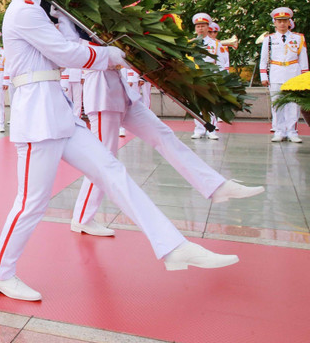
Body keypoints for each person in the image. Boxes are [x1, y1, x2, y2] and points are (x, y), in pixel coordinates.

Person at [0, 0, 237, 302]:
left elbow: (68, 46)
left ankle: (172, 246)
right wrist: (109, 55)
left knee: (112, 171)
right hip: (37, 117)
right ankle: (0, 274)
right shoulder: (22, 13)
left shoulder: (42, 11)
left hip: (59, 112)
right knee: (31, 203)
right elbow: (67, 55)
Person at [72, 66, 264, 237]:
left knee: (164, 135)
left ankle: (215, 186)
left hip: (123, 91)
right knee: (103, 159)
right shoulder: (71, 25)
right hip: (101, 91)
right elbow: (75, 53)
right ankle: (82, 217)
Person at [260, 7, 308, 143]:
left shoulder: (298, 38)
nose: (282, 24)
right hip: (276, 72)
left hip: (293, 73)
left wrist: (304, 78)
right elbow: (263, 60)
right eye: (279, 21)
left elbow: (303, 59)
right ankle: (279, 131)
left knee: (293, 104)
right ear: (274, 22)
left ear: (289, 22)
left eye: (285, 21)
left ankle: (292, 131)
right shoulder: (268, 39)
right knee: (277, 104)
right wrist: (264, 76)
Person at [190, 13, 220, 140]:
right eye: (198, 26)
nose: (200, 29)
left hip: (210, 75)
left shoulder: (216, 44)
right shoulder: (190, 44)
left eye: (203, 26)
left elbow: (221, 62)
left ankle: (211, 129)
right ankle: (199, 129)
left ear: (208, 27)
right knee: (197, 103)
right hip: (196, 76)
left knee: (211, 103)